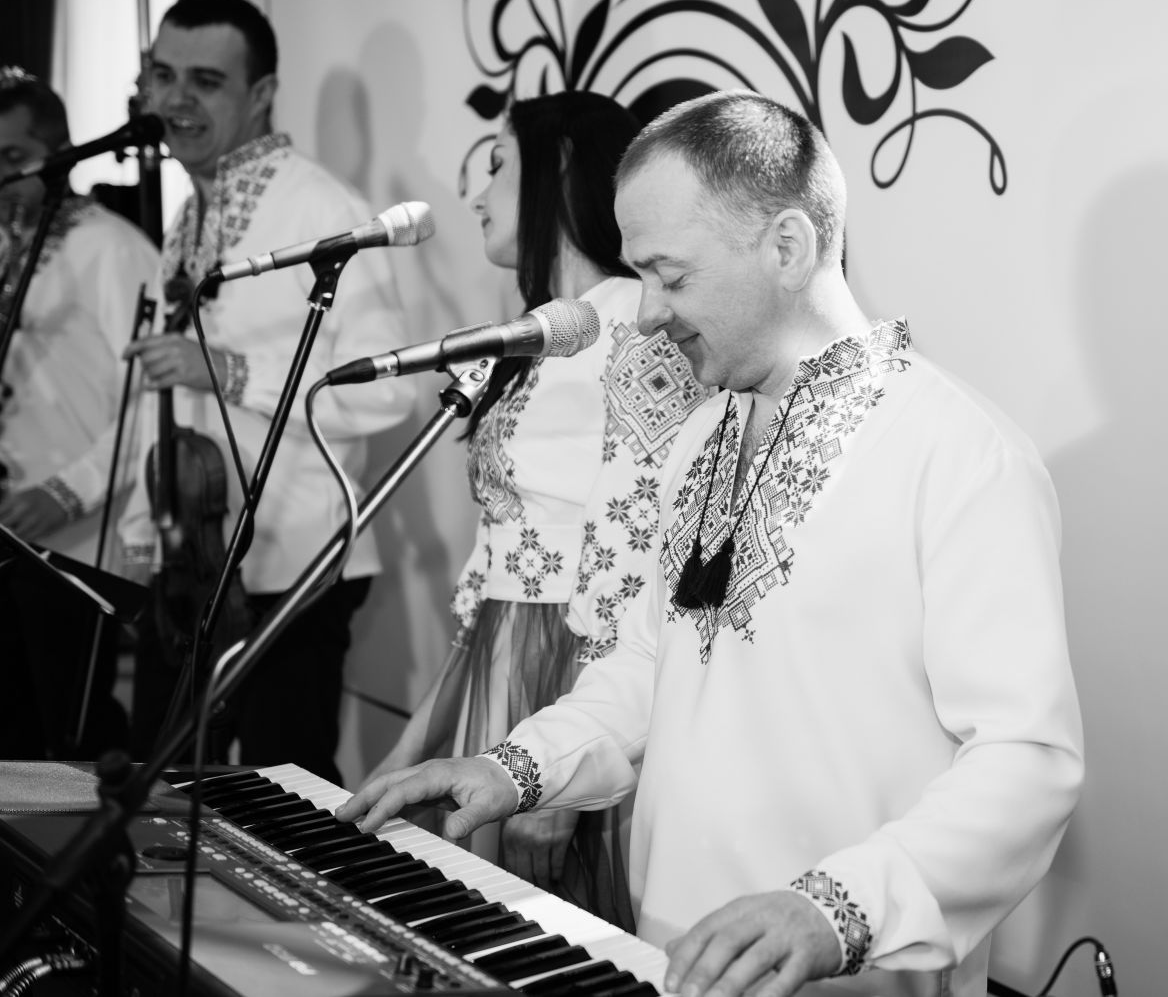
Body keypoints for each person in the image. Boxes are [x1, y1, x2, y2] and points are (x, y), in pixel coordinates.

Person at [341, 90, 1084, 997]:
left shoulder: (960, 452)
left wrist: (837, 908)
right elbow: (646, 667)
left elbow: (1026, 760)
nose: (647, 312)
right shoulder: (704, 434)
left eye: (672, 276)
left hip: (851, 965)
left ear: (788, 248)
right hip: (671, 952)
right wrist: (516, 768)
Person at [361, 91, 705, 928]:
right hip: (500, 652)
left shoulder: (635, 323)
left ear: (558, 165)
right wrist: (421, 732)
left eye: (498, 165)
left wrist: (561, 771)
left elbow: (641, 542)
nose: (476, 194)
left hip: (573, 663)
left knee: (546, 929)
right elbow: (497, 551)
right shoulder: (537, 333)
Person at [118, 0, 414, 785]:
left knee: (282, 795)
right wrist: (144, 525)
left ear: (261, 94)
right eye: (162, 75)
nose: (176, 99)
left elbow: (391, 391)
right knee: (161, 786)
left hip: (296, 568)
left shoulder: (323, 208)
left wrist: (231, 372)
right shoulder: (188, 216)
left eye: (206, 81)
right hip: (194, 563)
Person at [0, 67, 162, 758]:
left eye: (13, 157)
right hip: (13, 527)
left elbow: (155, 401)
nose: (1, 177)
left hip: (83, 535)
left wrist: (66, 491)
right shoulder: (9, 244)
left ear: (60, 152)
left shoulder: (114, 250)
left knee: (74, 738)